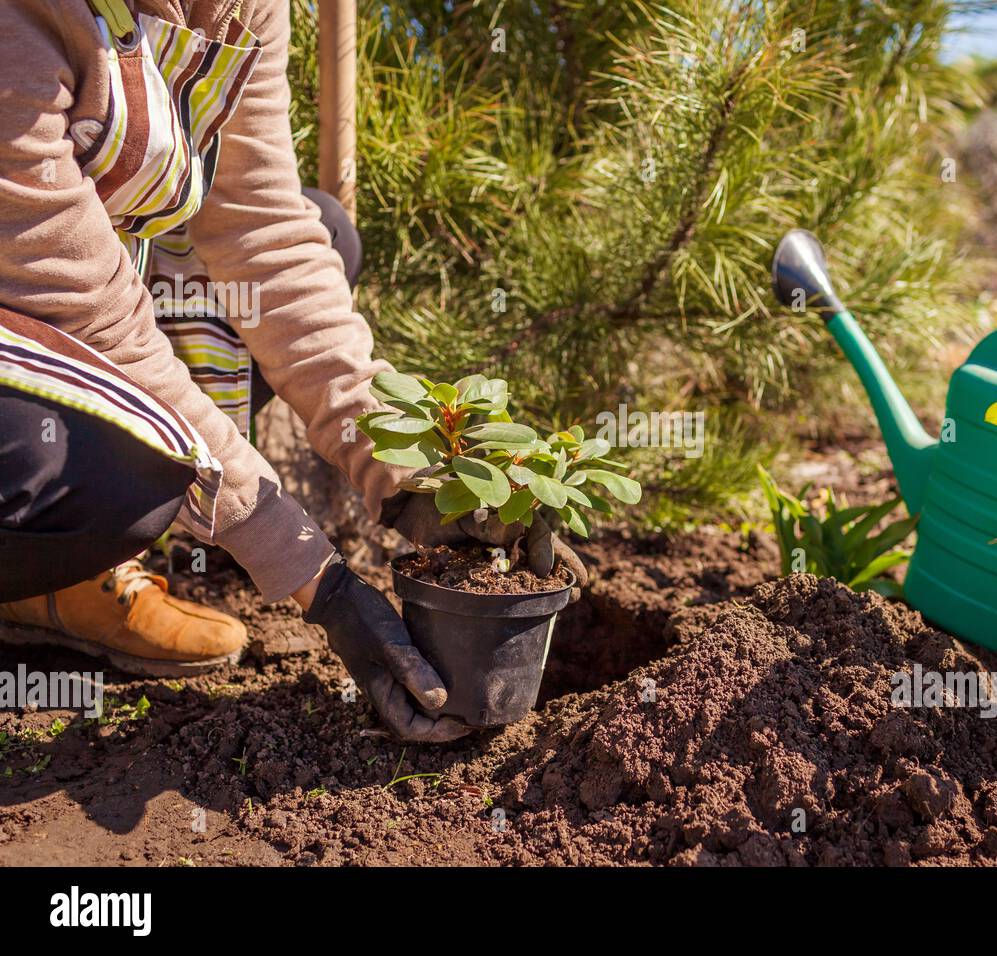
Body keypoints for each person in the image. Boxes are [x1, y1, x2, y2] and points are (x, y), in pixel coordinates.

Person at [0, 0, 583, 742]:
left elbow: (261, 230)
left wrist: (405, 477)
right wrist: (321, 582)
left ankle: (73, 571)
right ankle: (58, 565)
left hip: (77, 289)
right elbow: (85, 311)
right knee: (91, 464)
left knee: (323, 233)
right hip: (34, 294)